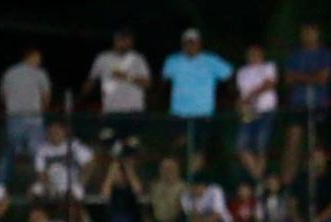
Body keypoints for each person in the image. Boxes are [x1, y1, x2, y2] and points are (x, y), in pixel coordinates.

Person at [162, 29, 233, 173]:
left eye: (193, 42)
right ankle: (177, 181)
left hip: (202, 113)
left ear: (199, 44)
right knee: (176, 147)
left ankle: (193, 181)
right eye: (187, 43)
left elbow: (228, 74)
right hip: (179, 113)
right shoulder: (173, 61)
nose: (190, 46)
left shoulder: (210, 60)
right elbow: (165, 79)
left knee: (198, 150)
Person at [283, 23, 331, 185]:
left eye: (311, 33)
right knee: (293, 143)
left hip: (318, 103)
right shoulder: (294, 55)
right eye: (304, 33)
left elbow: (323, 78)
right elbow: (288, 79)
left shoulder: (325, 55)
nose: (307, 36)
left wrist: (300, 77)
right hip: (297, 103)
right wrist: (311, 78)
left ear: (318, 34)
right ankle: (287, 184)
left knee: (317, 144)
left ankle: (320, 182)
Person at [83, 29, 151, 139]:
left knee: (131, 145)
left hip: (134, 110)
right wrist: (82, 99)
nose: (124, 43)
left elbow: (147, 83)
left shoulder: (138, 59)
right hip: (111, 110)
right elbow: (91, 81)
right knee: (107, 142)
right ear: (115, 41)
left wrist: (128, 77)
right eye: (121, 40)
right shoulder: (102, 58)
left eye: (128, 40)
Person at [0, 48, 51, 185]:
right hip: (33, 118)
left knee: (10, 151)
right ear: (31, 57)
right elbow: (46, 96)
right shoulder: (39, 73)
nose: (39, 61)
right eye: (38, 58)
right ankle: (41, 183)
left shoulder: (10, 72)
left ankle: (2, 183)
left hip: (14, 117)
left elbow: (3, 95)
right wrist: (42, 111)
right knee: (38, 153)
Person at [32, 120, 93, 222]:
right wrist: (49, 186)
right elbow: (40, 172)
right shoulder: (42, 149)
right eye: (51, 131)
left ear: (64, 131)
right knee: (34, 191)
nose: (54, 134)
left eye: (57, 131)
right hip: (51, 184)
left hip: (72, 183)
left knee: (72, 196)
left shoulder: (74, 146)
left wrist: (81, 182)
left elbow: (89, 165)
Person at [235, 44, 278, 182]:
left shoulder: (268, 66)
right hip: (249, 111)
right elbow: (242, 93)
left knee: (261, 144)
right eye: (250, 53)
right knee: (242, 145)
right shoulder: (242, 72)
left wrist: (251, 96)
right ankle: (258, 178)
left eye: (256, 53)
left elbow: (269, 83)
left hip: (266, 110)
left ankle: (258, 180)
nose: (253, 56)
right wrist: (242, 103)